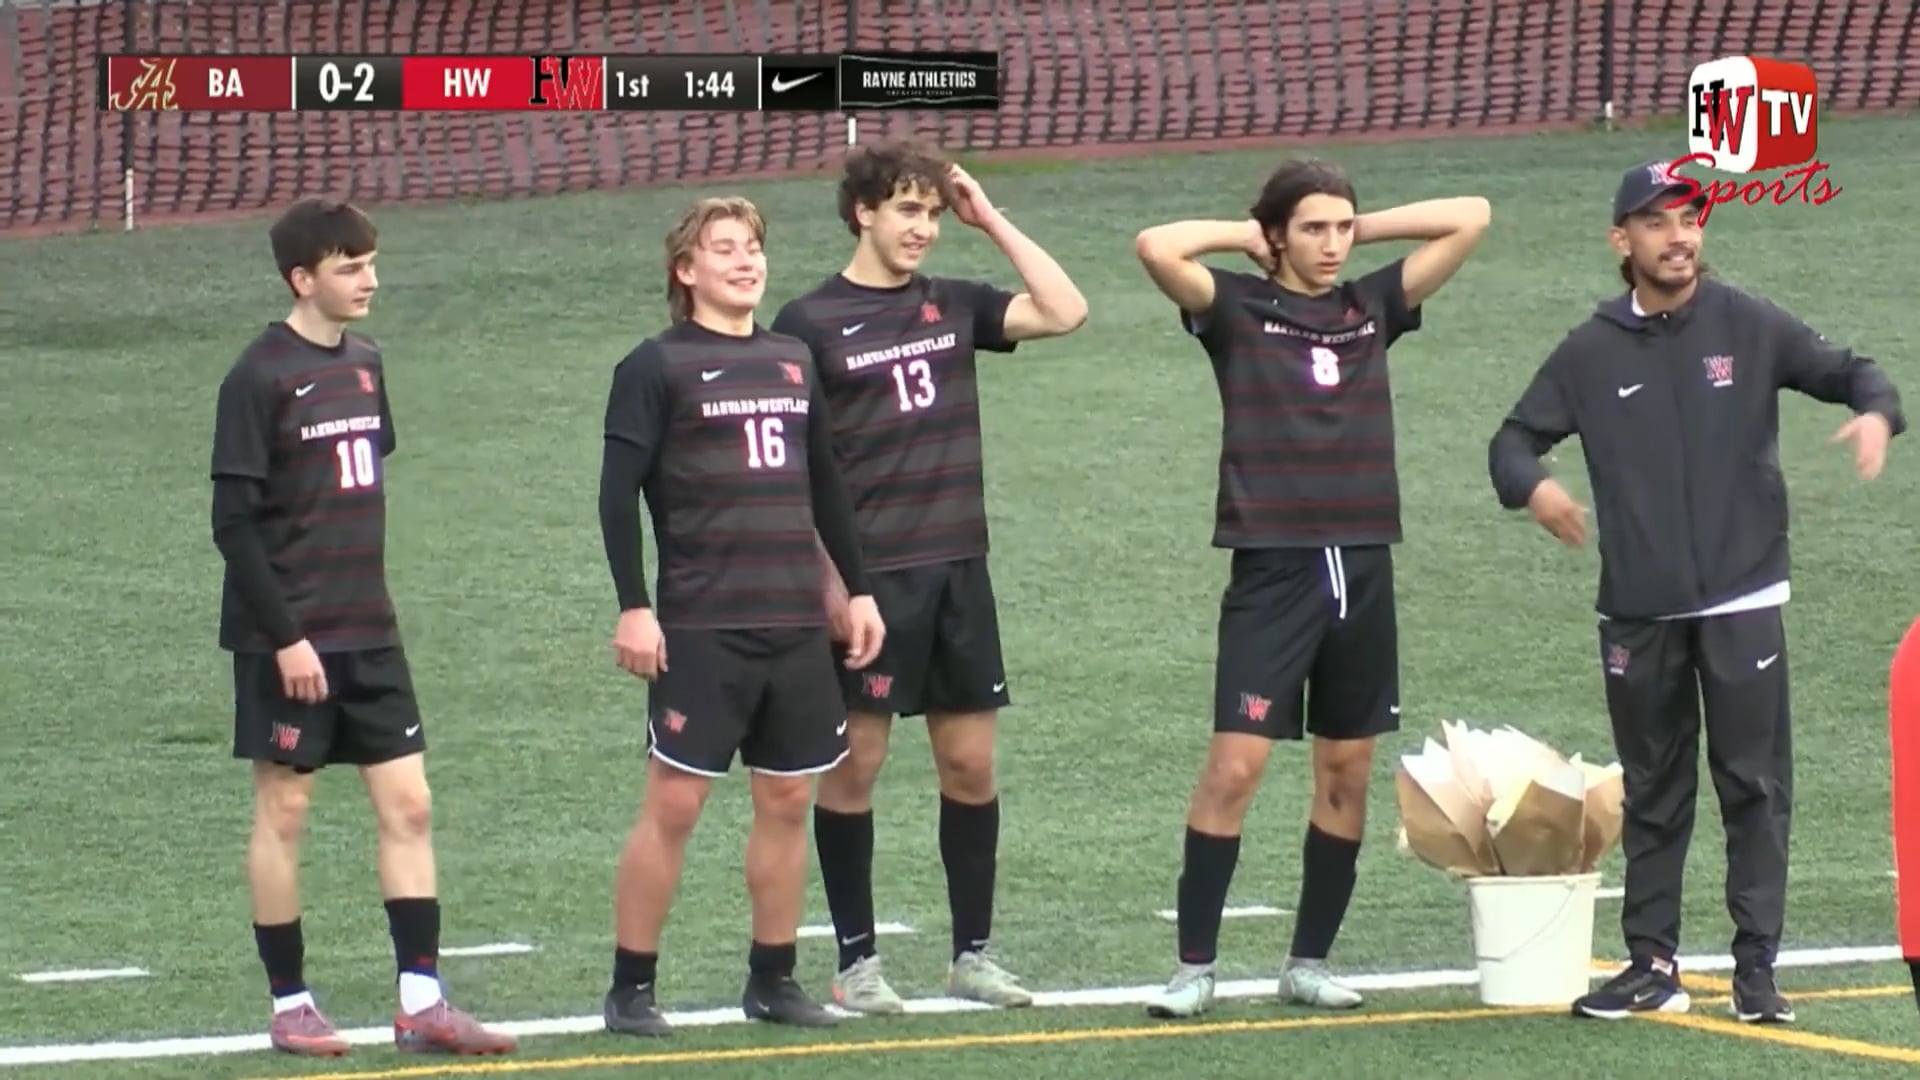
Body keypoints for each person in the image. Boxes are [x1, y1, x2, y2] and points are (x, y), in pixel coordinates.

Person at [1487, 159, 1903, 1025]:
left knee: (1754, 784)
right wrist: (1535, 489)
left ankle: (1757, 972)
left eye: (1690, 220)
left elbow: (1858, 372)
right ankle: (1653, 964)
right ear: (1621, 240)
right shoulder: (1590, 350)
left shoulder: (1747, 323)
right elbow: (1513, 441)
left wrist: (1876, 415)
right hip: (1637, 609)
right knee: (1656, 786)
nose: (1680, 237)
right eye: (1658, 222)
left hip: (1743, 597)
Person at [1133, 160, 1491, 1019]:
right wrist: (1242, 235)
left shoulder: (1372, 307)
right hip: (1274, 566)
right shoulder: (1235, 309)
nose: (1331, 245)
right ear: (1278, 235)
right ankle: (1194, 968)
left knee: (1346, 770)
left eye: (1342, 228)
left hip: (1363, 565)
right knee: (1236, 766)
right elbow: (1155, 246)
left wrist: (1359, 230)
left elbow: (1470, 213)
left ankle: (1308, 962)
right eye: (1314, 229)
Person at [768, 137, 1087, 1014]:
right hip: (872, 581)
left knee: (971, 766)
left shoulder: (953, 303)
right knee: (857, 767)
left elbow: (1065, 310)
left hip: (957, 573)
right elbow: (795, 475)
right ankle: (857, 961)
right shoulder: (808, 323)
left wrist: (992, 221)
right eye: (909, 209)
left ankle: (971, 955)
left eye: (935, 214)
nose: (924, 228)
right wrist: (833, 588)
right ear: (862, 212)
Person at [208, 199, 517, 1058]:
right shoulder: (258, 375)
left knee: (410, 804)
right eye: (350, 267)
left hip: (371, 631)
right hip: (290, 638)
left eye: (372, 262)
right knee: (287, 808)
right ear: (302, 279)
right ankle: (290, 1002)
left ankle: (422, 999)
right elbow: (234, 524)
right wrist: (287, 637)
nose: (369, 279)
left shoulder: (367, 363)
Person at [599, 195, 888, 1037]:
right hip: (700, 626)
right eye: (724, 249)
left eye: (753, 247)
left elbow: (826, 486)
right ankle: (631, 987)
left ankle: (773, 979)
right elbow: (618, 497)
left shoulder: (794, 359)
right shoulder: (654, 367)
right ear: (685, 271)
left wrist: (858, 591)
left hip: (794, 626)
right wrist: (634, 607)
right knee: (677, 805)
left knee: (790, 797)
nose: (744, 260)